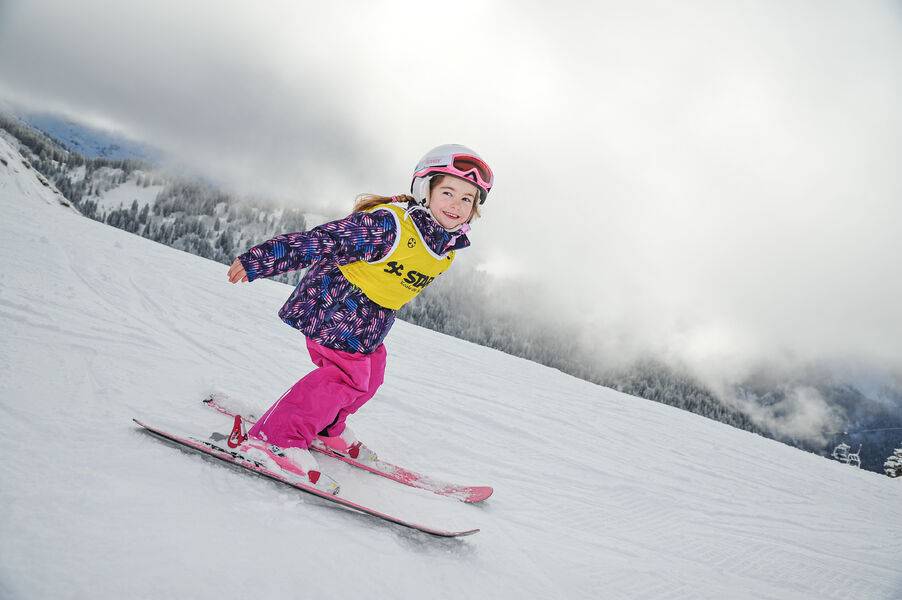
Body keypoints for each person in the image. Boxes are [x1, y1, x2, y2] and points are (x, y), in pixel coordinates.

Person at [226, 144, 494, 492]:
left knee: (370, 376)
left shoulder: (444, 244)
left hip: (369, 320)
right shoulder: (390, 225)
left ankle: (325, 427)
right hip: (334, 302)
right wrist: (263, 259)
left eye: (468, 199)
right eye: (447, 192)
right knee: (344, 377)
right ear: (424, 190)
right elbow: (324, 241)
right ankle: (275, 438)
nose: (457, 206)